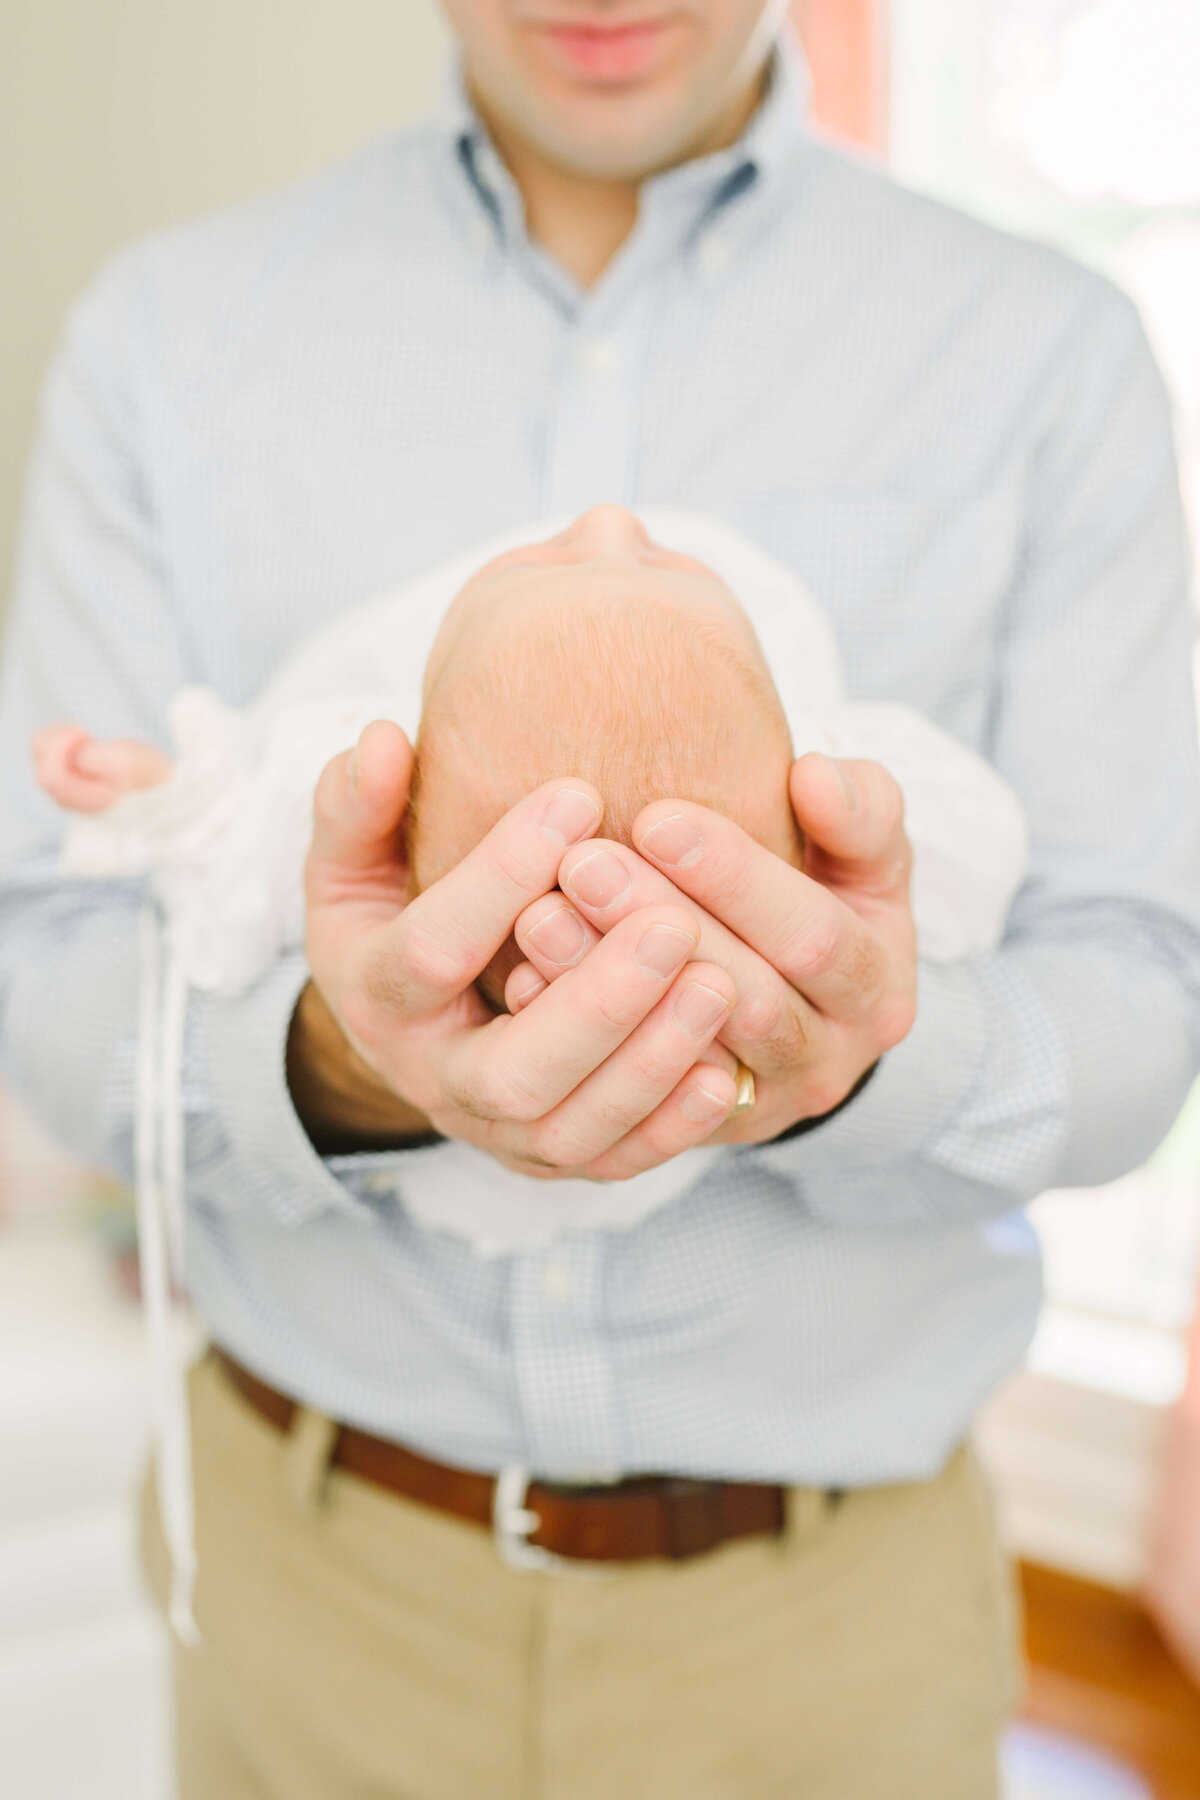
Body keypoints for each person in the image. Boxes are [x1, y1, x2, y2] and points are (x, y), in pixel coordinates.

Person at [2, 3, 1199, 1794]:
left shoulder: (1051, 353)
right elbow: (57, 959)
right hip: (306, 1590)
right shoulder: (167, 339)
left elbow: (1135, 997)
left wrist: (863, 1047)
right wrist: (344, 1050)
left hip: (823, 1632)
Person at [31, 504, 1027, 1263]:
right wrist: (874, 862)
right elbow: (976, 864)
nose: (607, 519)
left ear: (407, 826)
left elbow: (230, 862)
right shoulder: (839, 777)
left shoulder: (340, 790)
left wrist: (168, 800)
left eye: (545, 559)